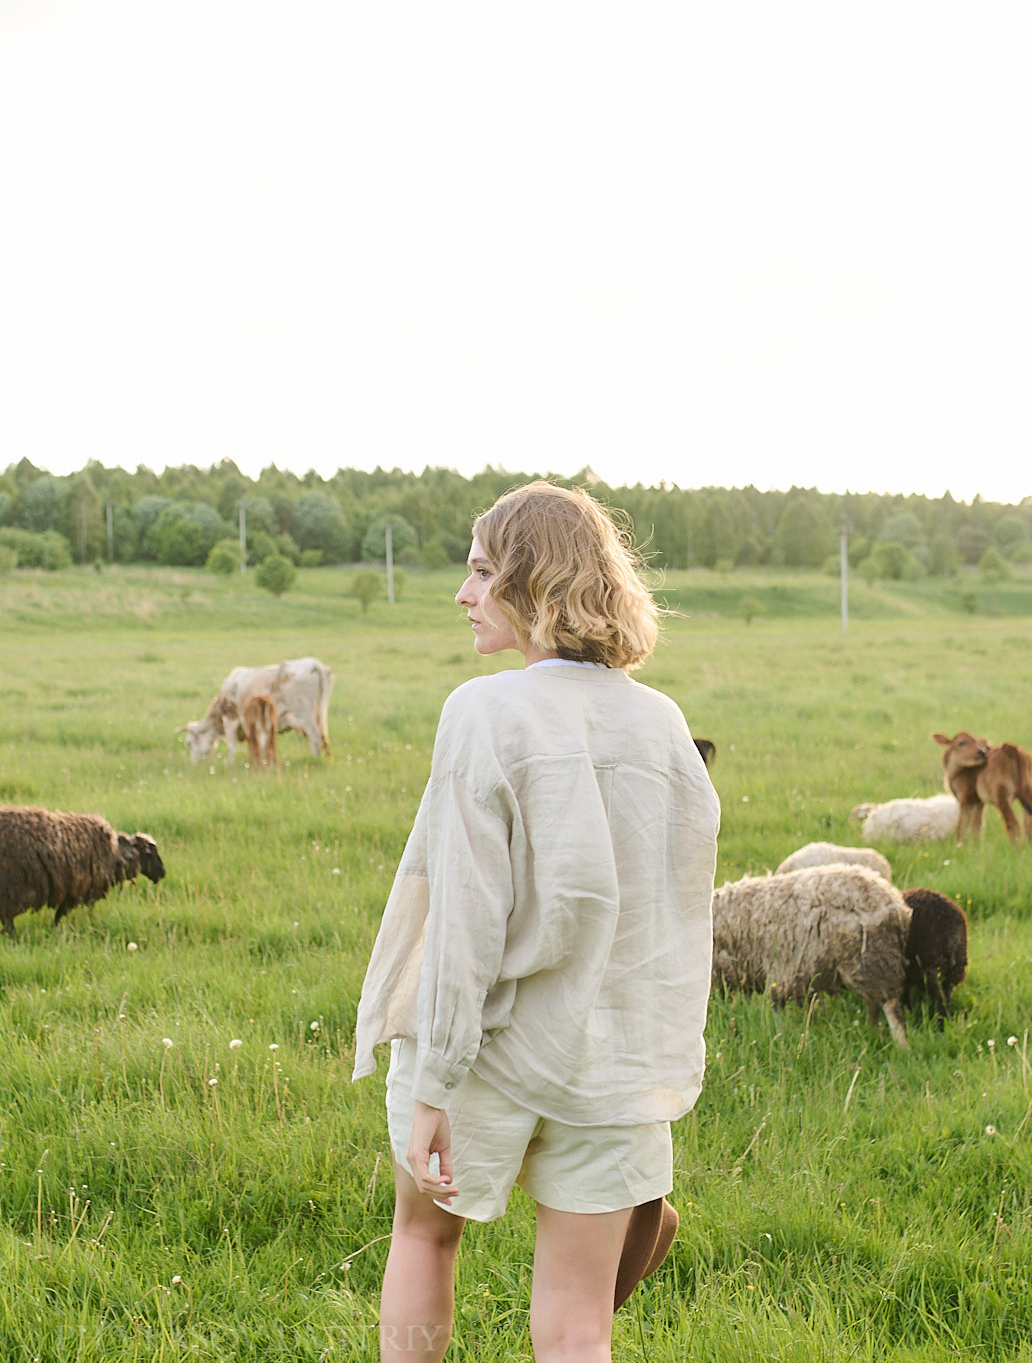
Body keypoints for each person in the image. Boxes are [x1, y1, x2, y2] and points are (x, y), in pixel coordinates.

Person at [352, 481, 719, 1362]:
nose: (463, 593)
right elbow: (676, 916)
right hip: (614, 1060)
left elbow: (467, 915)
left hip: (485, 1047)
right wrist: (649, 1069)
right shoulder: (663, 724)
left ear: (532, 582)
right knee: (578, 1320)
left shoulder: (483, 708)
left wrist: (436, 1080)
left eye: (482, 571)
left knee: (424, 1236)